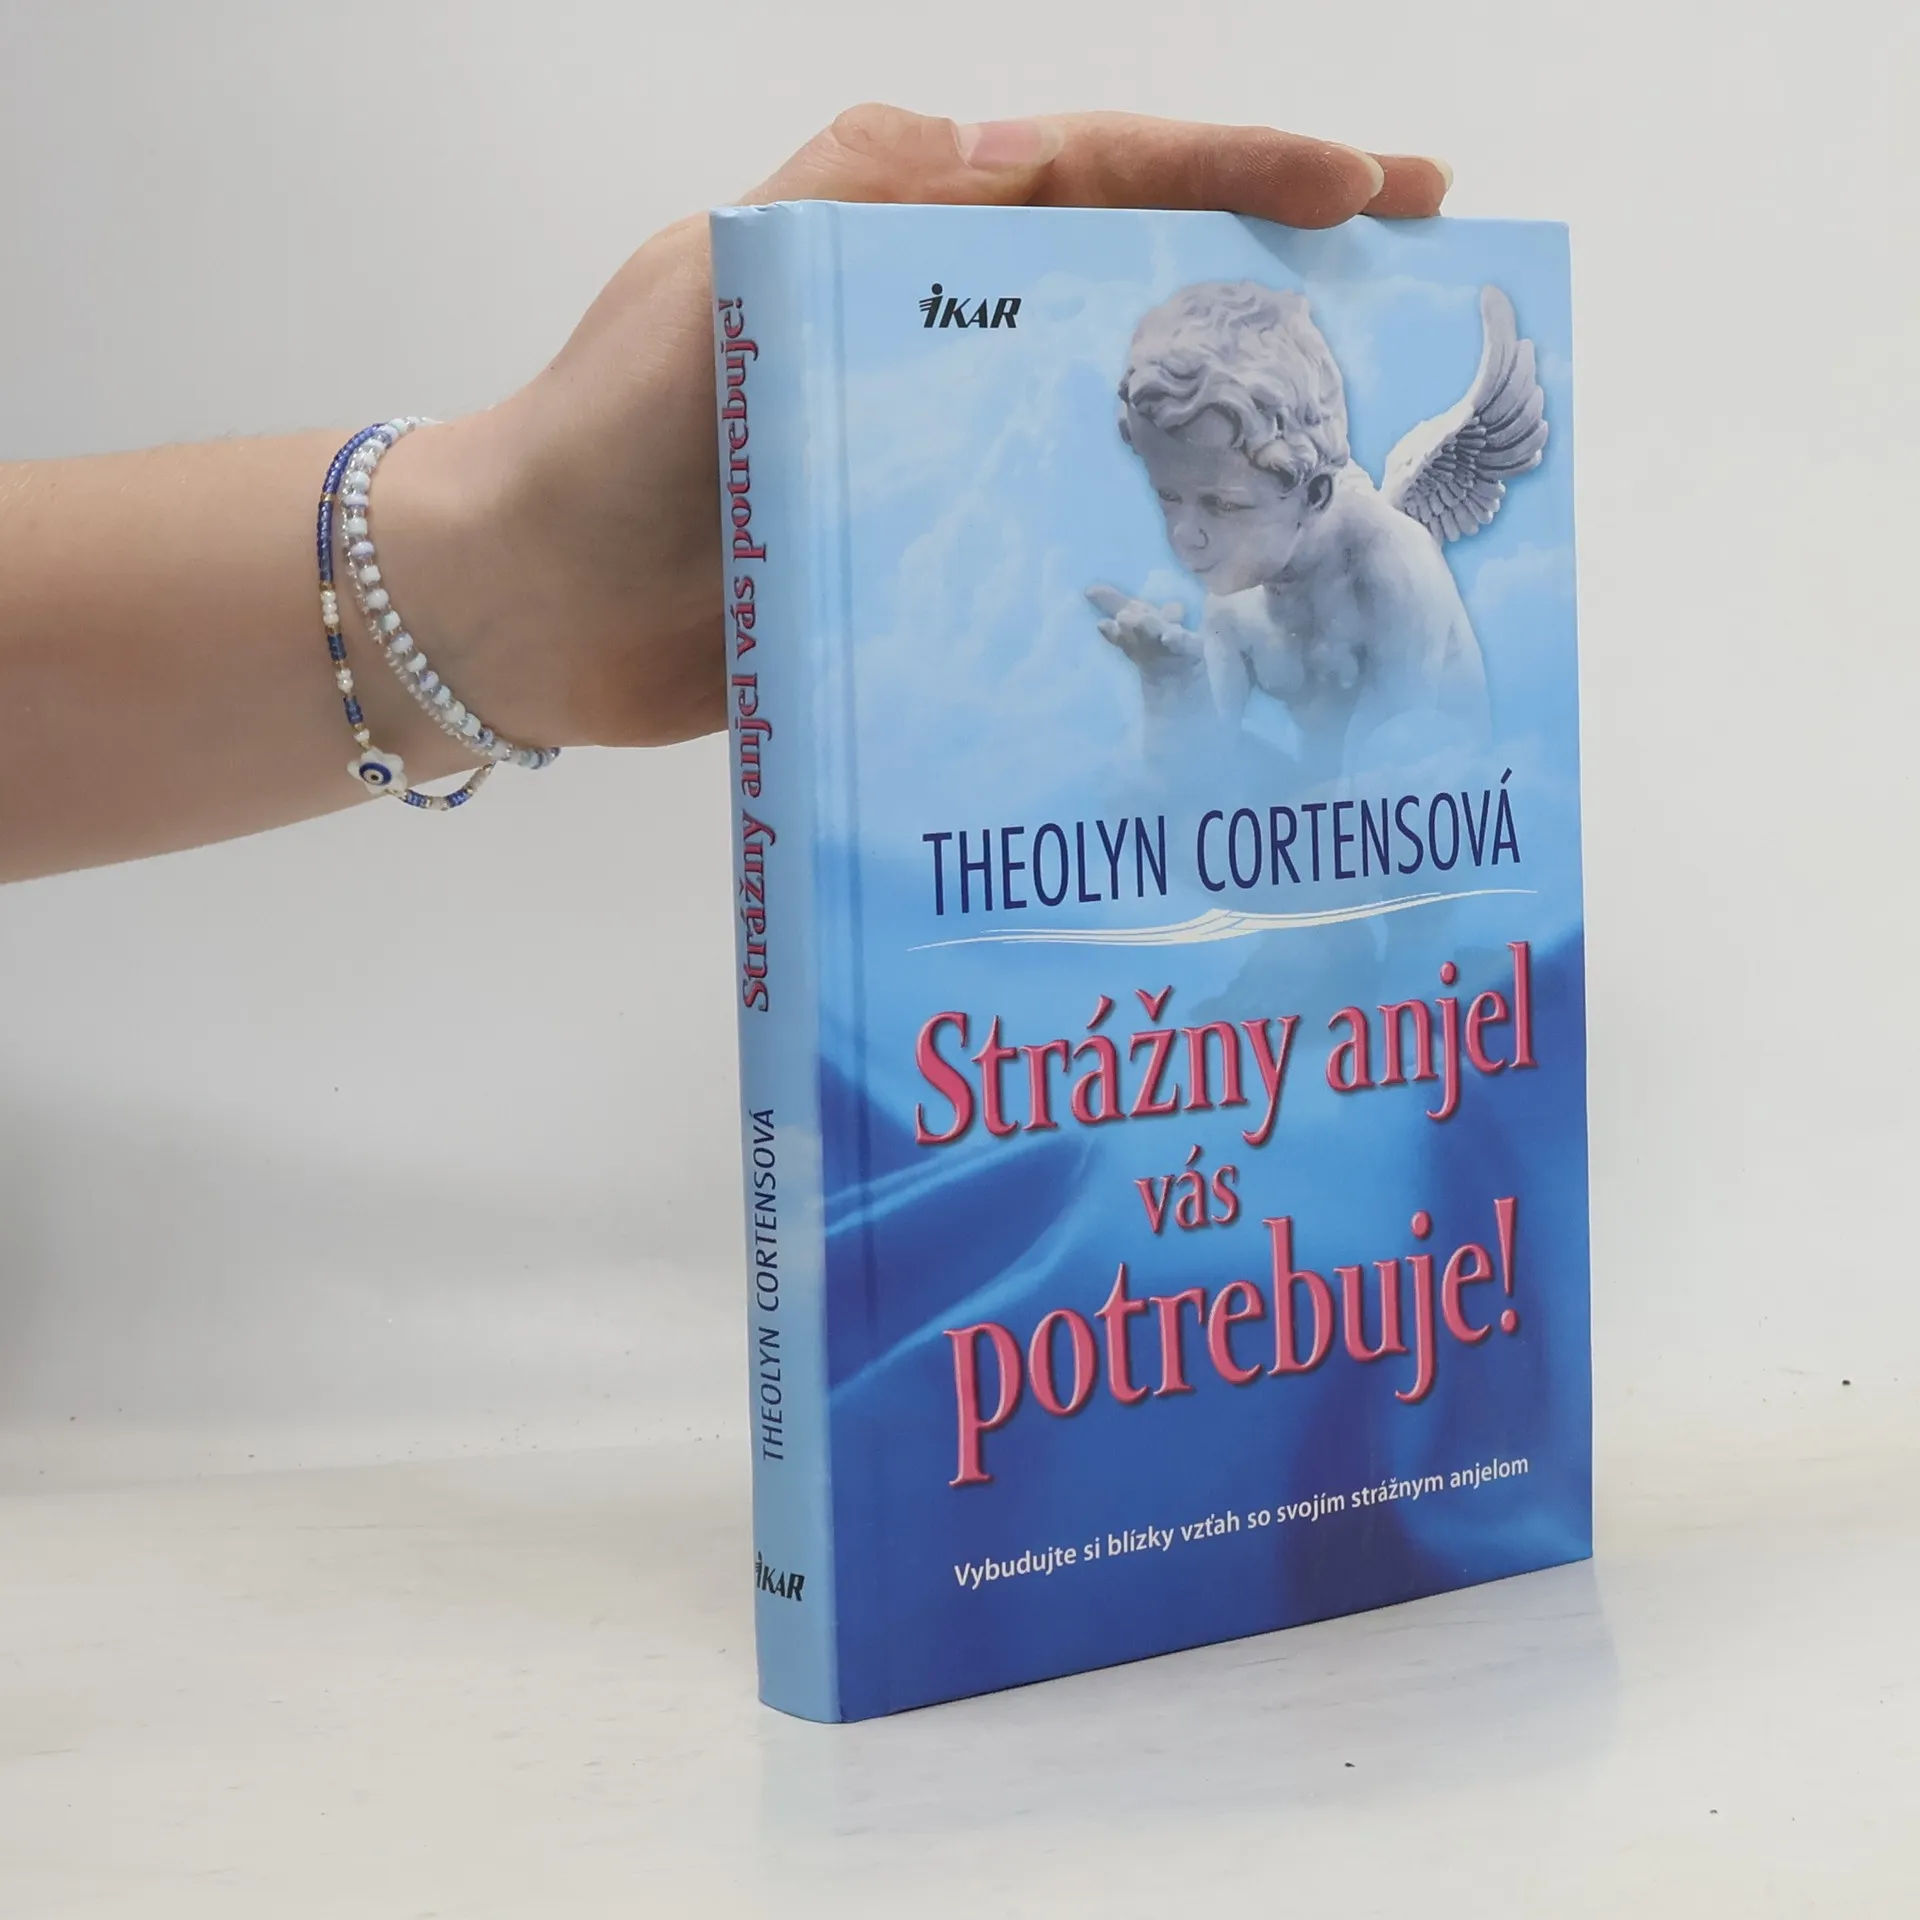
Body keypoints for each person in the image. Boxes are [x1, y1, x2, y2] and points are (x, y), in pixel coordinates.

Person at [0, 106, 1448, 884]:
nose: (1184, 539)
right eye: (1166, 504)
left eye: (1216, 512)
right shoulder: (1240, 591)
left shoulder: (1388, 576)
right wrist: (1174, 699)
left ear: (1307, 470)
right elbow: (1202, 800)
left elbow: (1427, 804)